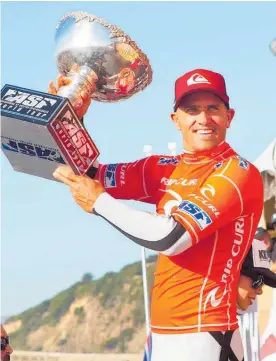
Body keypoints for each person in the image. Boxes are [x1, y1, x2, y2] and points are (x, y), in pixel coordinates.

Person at [49, 68, 264, 361]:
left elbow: (172, 237)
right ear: (175, 119)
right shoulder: (161, 167)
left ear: (230, 116)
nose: (203, 119)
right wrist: (69, 119)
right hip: (161, 335)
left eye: (213, 108)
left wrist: (100, 203)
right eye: (192, 110)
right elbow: (87, 174)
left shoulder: (238, 172)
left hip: (207, 333)